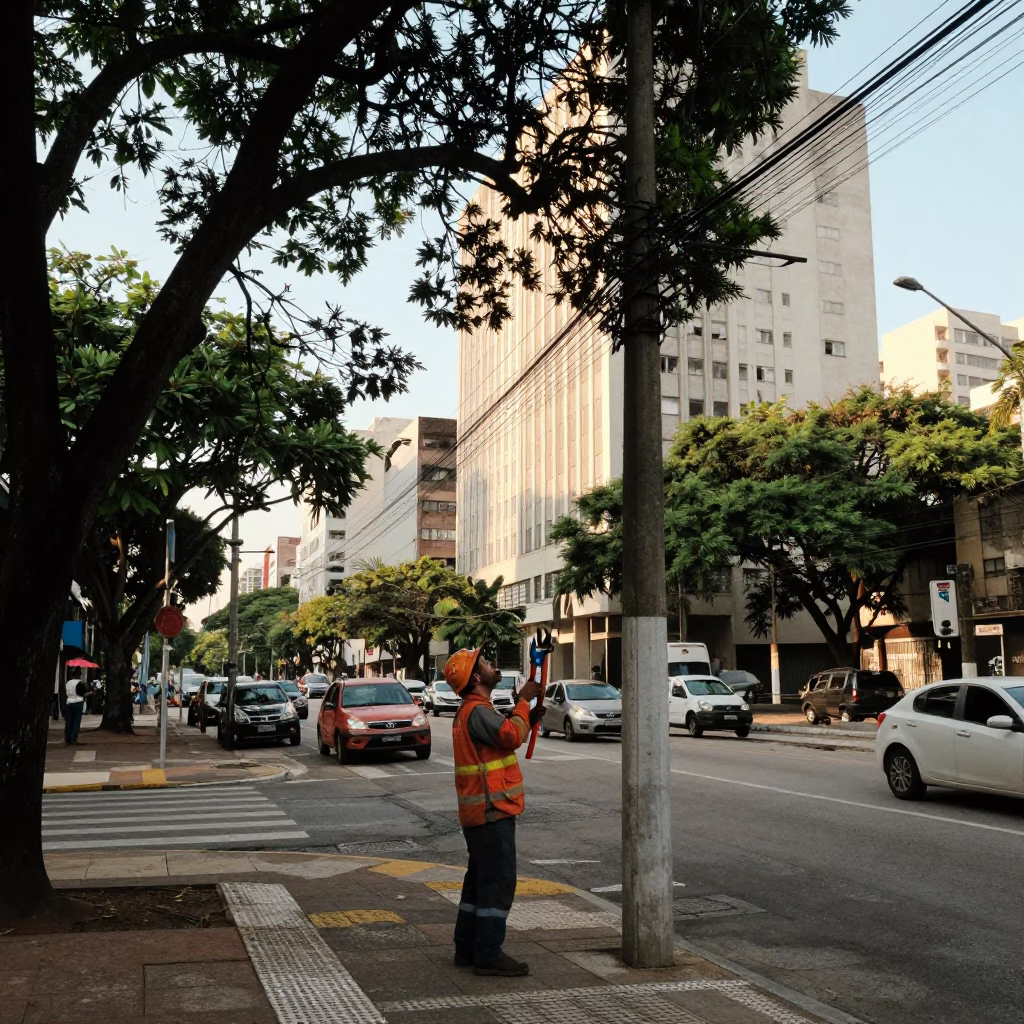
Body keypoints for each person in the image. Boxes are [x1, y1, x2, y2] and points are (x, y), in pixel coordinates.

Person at [444, 648, 545, 978]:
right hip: (492, 811)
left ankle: (467, 947)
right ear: (475, 677)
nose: (493, 666)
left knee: (478, 881)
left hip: (481, 813)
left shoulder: (474, 711)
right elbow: (511, 736)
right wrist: (524, 701)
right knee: (497, 882)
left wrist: (527, 715)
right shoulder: (477, 711)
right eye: (486, 664)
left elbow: (504, 736)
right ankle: (487, 953)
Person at [64, 673, 93, 745]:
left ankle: (68, 738)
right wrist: (91, 692)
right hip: (78, 702)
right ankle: (73, 739)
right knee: (76, 721)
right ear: (79, 675)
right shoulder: (80, 683)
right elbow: (83, 694)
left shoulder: (68, 683)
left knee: (69, 721)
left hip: (69, 702)